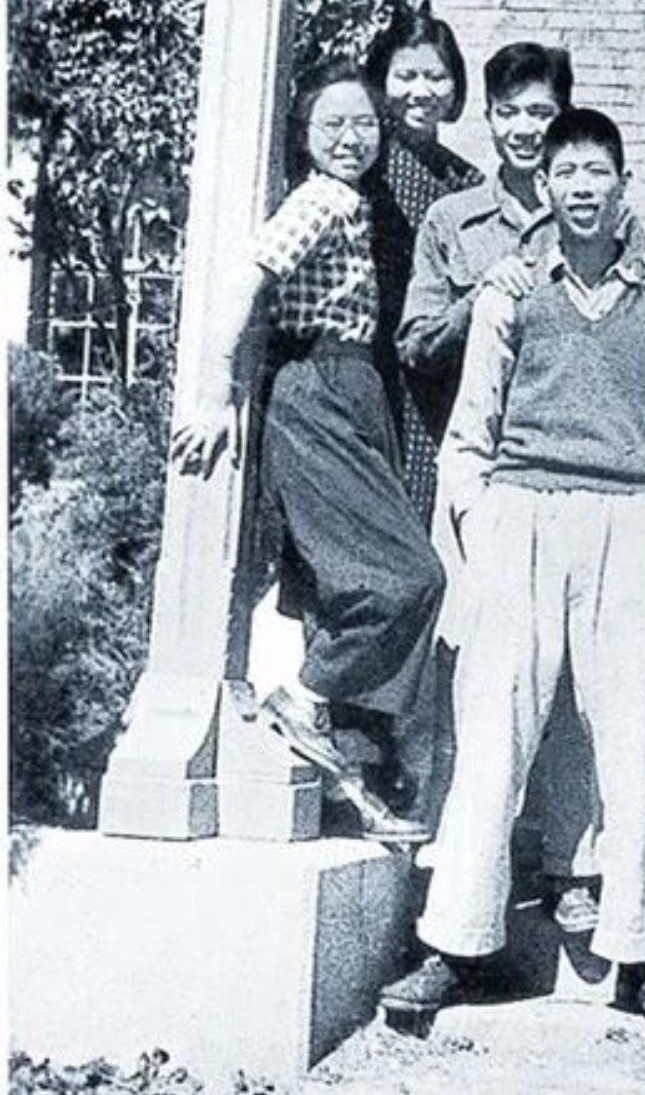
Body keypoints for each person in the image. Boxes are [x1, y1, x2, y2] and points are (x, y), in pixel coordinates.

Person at [380, 107, 645, 1026]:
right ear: (548, 187)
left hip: (625, 525)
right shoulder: (512, 291)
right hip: (521, 516)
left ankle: (644, 960)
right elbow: (468, 433)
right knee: (493, 734)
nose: (582, 188)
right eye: (566, 172)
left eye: (598, 171)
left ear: (623, 184)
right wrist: (481, 525)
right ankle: (453, 947)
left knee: (632, 743)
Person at [170, 60, 446, 844]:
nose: (352, 139)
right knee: (408, 577)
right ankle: (306, 696)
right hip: (319, 386)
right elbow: (243, 278)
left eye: (364, 124)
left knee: (363, 581)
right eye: (333, 125)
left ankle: (348, 759)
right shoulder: (319, 199)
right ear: (304, 134)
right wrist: (213, 391)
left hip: (354, 386)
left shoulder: (354, 202)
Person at [365, 2, 482, 528]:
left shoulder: (467, 184)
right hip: (364, 364)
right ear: (382, 80)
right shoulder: (362, 163)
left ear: (455, 88)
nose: (422, 91)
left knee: (411, 518)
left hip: (428, 376)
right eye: (406, 75)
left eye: (435, 77)